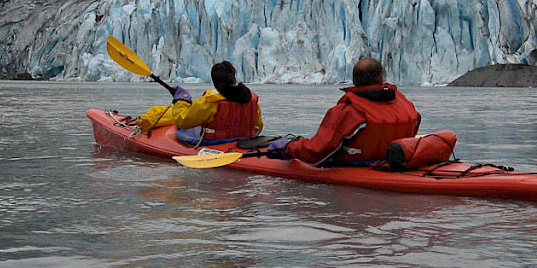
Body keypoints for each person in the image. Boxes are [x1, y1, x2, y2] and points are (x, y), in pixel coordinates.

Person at [268, 57, 421, 166]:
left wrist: (288, 148)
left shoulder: (348, 112)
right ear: (382, 79)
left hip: (354, 168)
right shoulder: (406, 105)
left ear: (354, 82)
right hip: (394, 164)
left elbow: (316, 152)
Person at [137, 61, 263, 145]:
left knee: (181, 128)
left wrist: (181, 101)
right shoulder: (251, 99)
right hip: (244, 140)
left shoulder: (210, 101)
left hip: (214, 142)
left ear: (214, 81)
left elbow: (183, 121)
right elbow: (259, 126)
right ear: (234, 79)